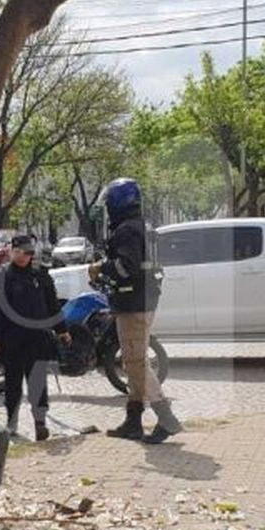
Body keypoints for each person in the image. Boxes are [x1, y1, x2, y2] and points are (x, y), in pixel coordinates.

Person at [92, 178, 181, 444]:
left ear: (119, 203)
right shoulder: (143, 225)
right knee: (134, 361)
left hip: (133, 304)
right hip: (144, 299)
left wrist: (101, 268)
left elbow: (125, 267)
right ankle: (133, 420)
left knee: (136, 363)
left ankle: (166, 418)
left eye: (109, 203)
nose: (108, 208)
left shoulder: (127, 230)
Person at [0, 235, 69, 441]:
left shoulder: (40, 274)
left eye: (29, 253)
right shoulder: (2, 275)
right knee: (13, 382)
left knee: (38, 381)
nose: (25, 257)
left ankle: (40, 422)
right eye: (21, 252)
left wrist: (61, 329)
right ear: (12, 251)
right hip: (11, 338)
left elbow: (52, 303)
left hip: (37, 337)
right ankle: (11, 422)